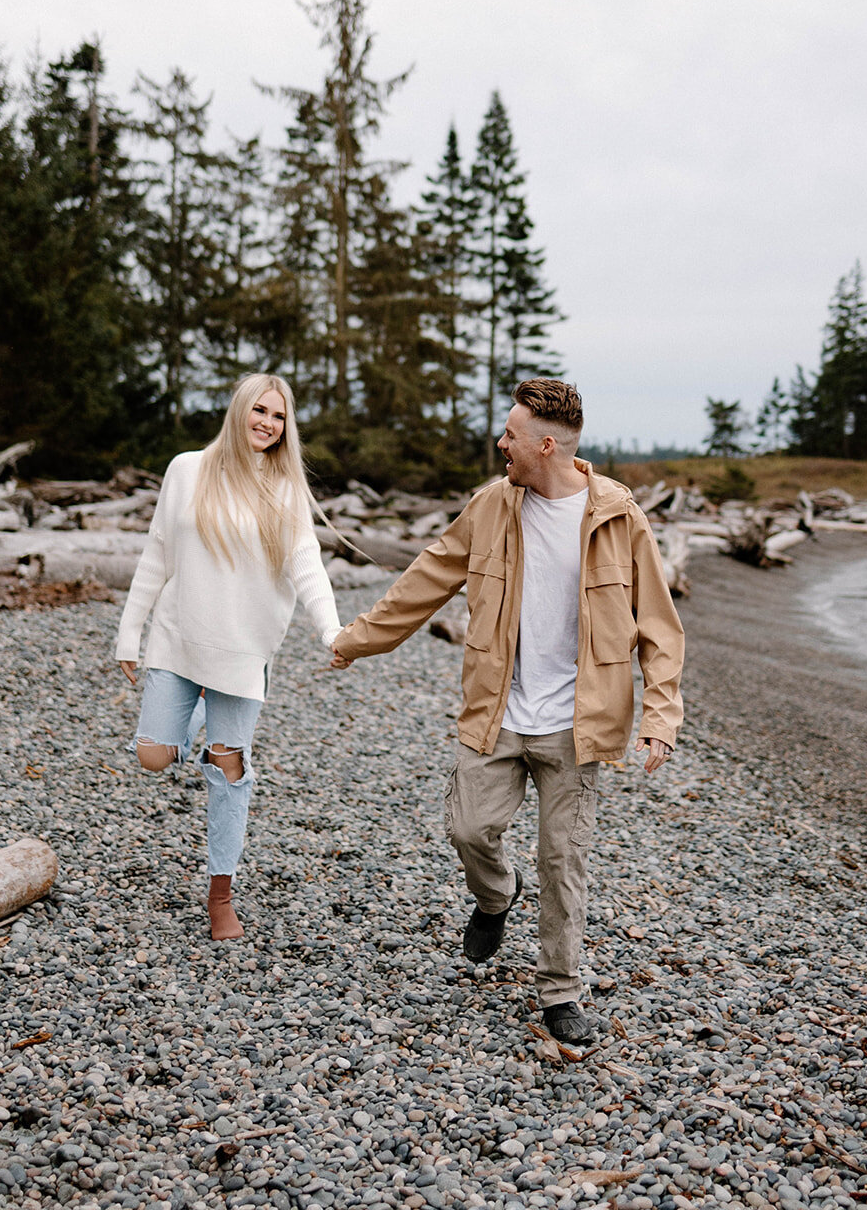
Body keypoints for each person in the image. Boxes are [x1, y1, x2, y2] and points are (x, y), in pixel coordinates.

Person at [331, 378, 683, 1044]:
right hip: (497, 711)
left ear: (546, 444)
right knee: (468, 830)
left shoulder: (618, 517)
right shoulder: (490, 506)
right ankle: (495, 896)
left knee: (562, 862)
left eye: (510, 434)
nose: (500, 443)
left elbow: (659, 628)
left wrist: (659, 720)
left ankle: (559, 992)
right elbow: (426, 579)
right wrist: (357, 640)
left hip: (578, 725)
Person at [116, 373, 342, 941]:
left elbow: (307, 566)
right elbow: (157, 553)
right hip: (177, 638)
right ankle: (195, 722)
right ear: (239, 410)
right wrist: (128, 633)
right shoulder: (187, 469)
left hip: (242, 654)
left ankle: (221, 897)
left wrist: (332, 631)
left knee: (227, 769)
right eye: (260, 410)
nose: (268, 423)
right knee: (153, 756)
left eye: (280, 416)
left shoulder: (285, 489)